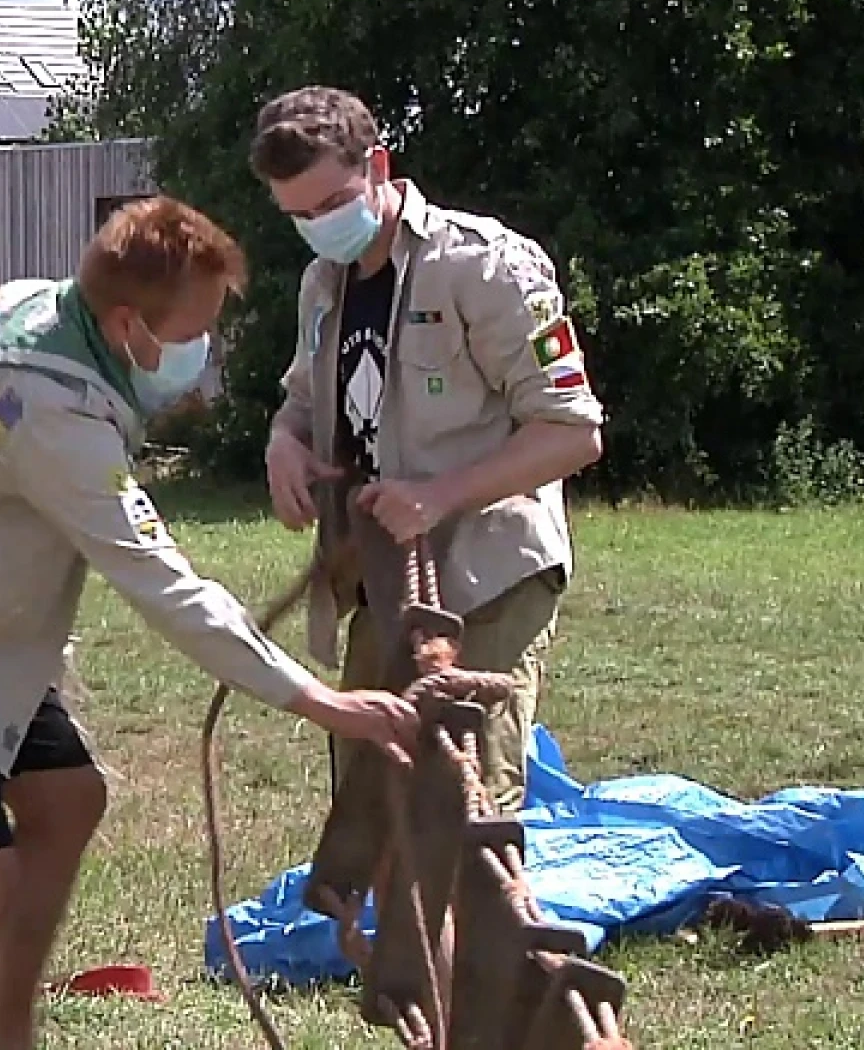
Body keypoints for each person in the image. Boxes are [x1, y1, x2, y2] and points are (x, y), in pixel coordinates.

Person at [0, 196, 420, 1050]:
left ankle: (6, 1017)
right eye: (195, 331)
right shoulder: (49, 408)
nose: (203, 352)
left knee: (68, 797)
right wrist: (320, 702)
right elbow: (165, 585)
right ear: (127, 325)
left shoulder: (45, 311)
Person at [247, 85, 607, 813]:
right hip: (385, 575)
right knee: (368, 791)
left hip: (489, 571)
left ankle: (475, 931)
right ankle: (386, 930)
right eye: (299, 216)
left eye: (331, 203)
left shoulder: (484, 265)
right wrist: (283, 443)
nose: (319, 226)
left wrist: (439, 496)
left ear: (378, 166)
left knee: (465, 802)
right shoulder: (324, 283)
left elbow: (573, 432)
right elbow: (304, 404)